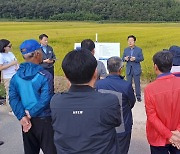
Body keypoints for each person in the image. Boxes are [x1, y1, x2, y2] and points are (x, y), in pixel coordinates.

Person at [50, 49, 121, 154]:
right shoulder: (109, 101)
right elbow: (117, 122)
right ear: (95, 73)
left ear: (66, 76)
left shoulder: (56, 101)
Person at [9, 39, 57, 154]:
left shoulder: (15, 77)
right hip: (44, 119)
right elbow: (46, 99)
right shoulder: (45, 75)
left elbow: (13, 99)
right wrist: (31, 113)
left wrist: (22, 116)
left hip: (26, 121)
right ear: (37, 53)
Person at [96, 56, 136, 154]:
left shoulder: (98, 84)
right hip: (122, 127)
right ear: (120, 69)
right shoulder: (125, 85)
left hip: (103, 126)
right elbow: (131, 103)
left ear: (107, 68)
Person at [144, 50, 180, 154]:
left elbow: (152, 117)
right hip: (178, 136)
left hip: (157, 137)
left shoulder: (150, 89)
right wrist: (177, 132)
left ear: (155, 66)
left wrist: (169, 135)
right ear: (171, 65)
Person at [122, 35, 144, 102]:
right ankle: (129, 96)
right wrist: (125, 58)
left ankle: (138, 96)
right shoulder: (126, 50)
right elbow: (122, 58)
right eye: (129, 41)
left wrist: (135, 59)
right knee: (128, 84)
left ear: (134, 41)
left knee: (137, 83)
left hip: (136, 69)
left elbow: (142, 58)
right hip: (129, 69)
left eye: (131, 41)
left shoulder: (139, 50)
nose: (130, 42)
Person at [0, 39, 18, 114]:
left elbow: (16, 61)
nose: (10, 47)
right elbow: (0, 68)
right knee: (10, 93)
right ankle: (11, 109)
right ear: (4, 47)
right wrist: (11, 64)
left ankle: (16, 107)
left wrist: (17, 66)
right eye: (9, 46)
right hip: (8, 76)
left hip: (15, 74)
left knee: (17, 92)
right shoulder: (1, 56)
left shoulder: (11, 53)